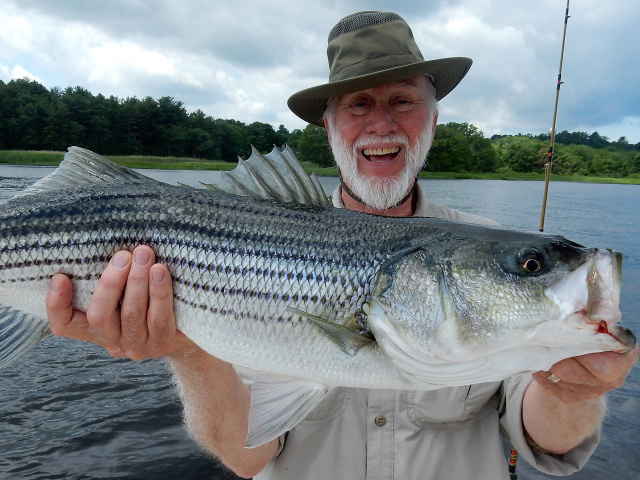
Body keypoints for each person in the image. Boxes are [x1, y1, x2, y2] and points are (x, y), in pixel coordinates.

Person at [45, 11, 638, 480]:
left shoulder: (475, 246)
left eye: (403, 100)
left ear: (432, 117)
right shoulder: (273, 220)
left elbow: (545, 442)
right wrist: (188, 349)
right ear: (328, 126)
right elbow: (248, 458)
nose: (381, 125)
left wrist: (574, 386)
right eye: (358, 105)